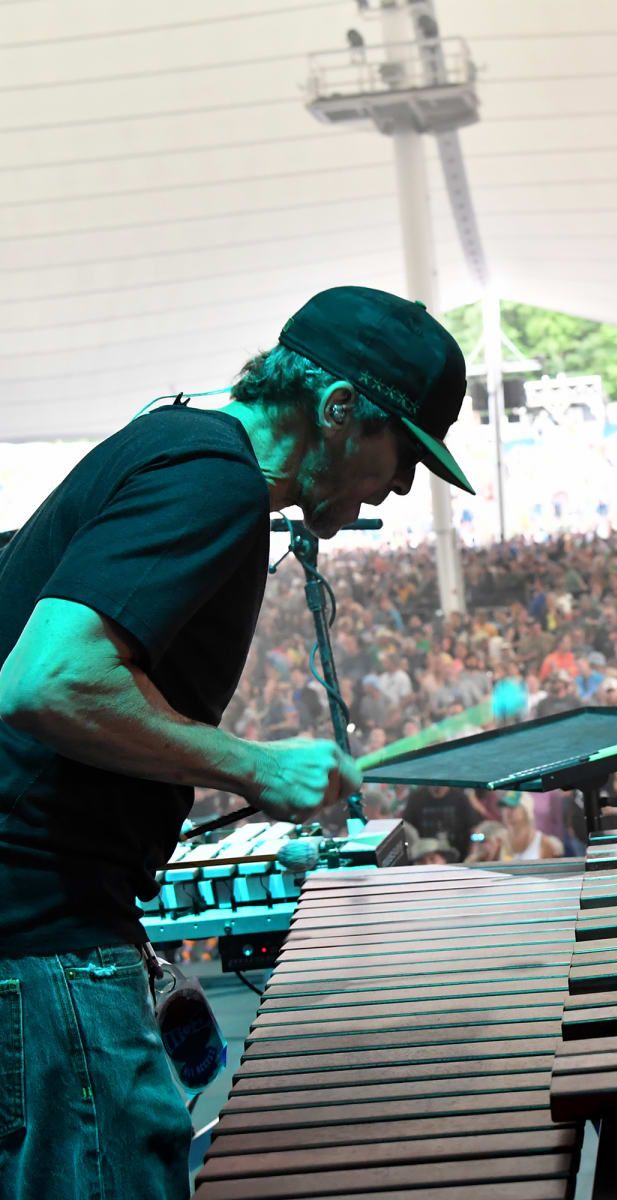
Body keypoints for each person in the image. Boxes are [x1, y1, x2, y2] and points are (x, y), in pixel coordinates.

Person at [0, 285, 472, 1200]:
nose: (404, 484)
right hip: (43, 934)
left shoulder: (167, 440)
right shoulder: (215, 478)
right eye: (400, 452)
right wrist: (256, 765)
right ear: (339, 412)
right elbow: (43, 680)